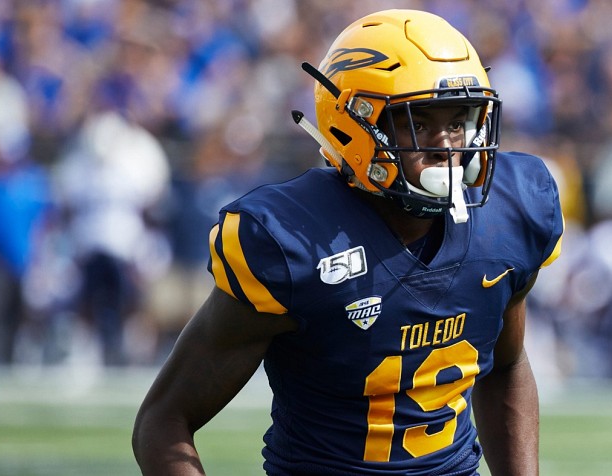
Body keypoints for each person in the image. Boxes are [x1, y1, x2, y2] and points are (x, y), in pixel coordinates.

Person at [133, 9, 563, 476]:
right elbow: (164, 420)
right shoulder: (293, 240)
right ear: (354, 125)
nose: (448, 145)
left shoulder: (510, 212)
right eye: (421, 123)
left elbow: (505, 366)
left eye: (459, 122)